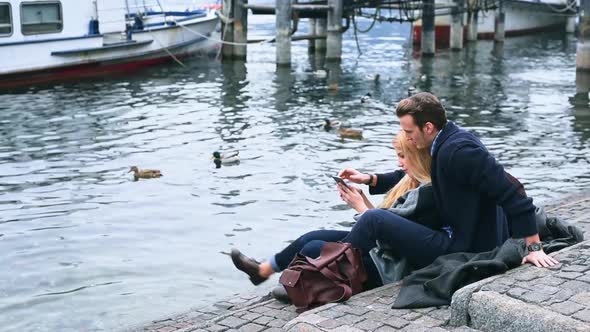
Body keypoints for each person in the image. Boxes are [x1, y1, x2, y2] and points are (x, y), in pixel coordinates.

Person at [343, 92, 556, 268]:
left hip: (465, 247)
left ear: (428, 127)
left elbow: (511, 193)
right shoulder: (446, 142)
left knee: (373, 218)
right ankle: (326, 265)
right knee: (321, 239)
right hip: (454, 236)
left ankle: (329, 272)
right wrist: (371, 179)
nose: (407, 138)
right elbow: (420, 175)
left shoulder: (458, 151)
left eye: (409, 131)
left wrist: (534, 248)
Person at [231, 131, 440, 289]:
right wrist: (363, 201)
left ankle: (298, 285)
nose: (399, 163)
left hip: (391, 265)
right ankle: (263, 271)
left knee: (314, 248)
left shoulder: (426, 195)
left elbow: (391, 237)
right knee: (311, 238)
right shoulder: (410, 181)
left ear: (418, 156)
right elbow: (386, 224)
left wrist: (360, 206)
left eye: (403, 156)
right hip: (385, 251)